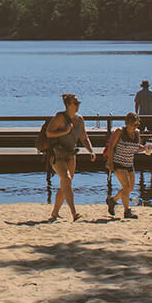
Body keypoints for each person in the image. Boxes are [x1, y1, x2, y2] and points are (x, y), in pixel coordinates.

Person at [44, 93, 97, 222]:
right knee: (66, 179)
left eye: (78, 103)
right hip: (56, 154)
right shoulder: (60, 118)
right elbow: (49, 133)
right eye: (75, 103)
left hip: (70, 154)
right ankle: (74, 212)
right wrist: (64, 132)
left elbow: (84, 138)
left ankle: (55, 212)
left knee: (66, 183)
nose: (78, 105)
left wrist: (91, 151)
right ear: (68, 105)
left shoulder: (80, 120)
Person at [104, 113, 148, 219]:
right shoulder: (120, 131)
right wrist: (110, 163)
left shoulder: (137, 133)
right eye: (134, 124)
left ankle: (112, 200)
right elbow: (111, 147)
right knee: (126, 187)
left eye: (137, 124)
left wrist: (146, 148)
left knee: (130, 188)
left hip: (129, 163)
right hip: (118, 162)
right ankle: (127, 211)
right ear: (127, 123)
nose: (135, 127)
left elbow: (137, 147)